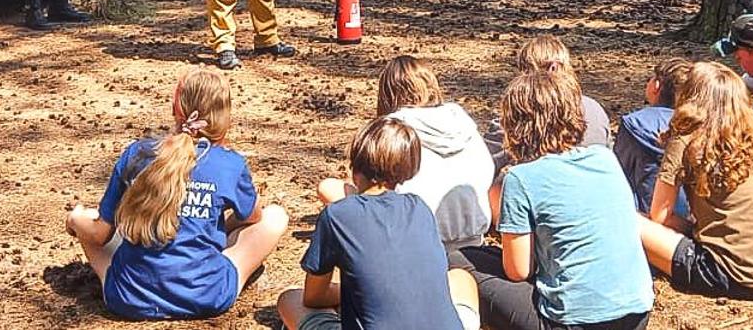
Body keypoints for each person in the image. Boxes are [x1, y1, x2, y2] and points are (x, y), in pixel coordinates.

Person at [64, 68, 289, 320]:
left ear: (175, 108)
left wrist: (75, 219)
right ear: (225, 117)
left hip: (130, 298)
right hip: (207, 296)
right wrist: (216, 224)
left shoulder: (138, 153)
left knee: (89, 219)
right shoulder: (230, 163)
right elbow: (253, 217)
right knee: (275, 217)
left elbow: (100, 235)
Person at [464, 68, 654, 330]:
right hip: (637, 314)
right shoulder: (604, 158)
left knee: (461, 261)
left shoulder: (520, 178)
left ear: (514, 125)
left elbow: (518, 271)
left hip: (572, 323)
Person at [278, 117, 481, 330]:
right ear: (407, 170)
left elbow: (313, 297)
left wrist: (358, 291)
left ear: (354, 167)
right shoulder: (420, 208)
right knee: (461, 278)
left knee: (290, 300)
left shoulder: (337, 216)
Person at [631, 63, 753, 299]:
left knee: (627, 219)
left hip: (733, 274)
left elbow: (660, 216)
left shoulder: (686, 139)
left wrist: (692, 229)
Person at [319, 57, 495, 251]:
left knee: (329, 188)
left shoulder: (392, 131)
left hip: (411, 238)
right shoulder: (463, 122)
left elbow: (372, 188)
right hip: (473, 236)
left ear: (387, 94)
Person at [613, 58, 696, 217]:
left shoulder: (633, 124)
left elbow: (619, 171)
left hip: (646, 215)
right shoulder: (698, 126)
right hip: (691, 219)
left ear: (656, 86)